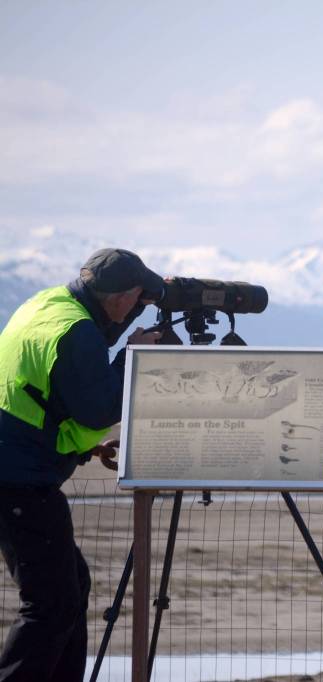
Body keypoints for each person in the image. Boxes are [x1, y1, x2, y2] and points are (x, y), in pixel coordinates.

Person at [0, 248, 164, 681]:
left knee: (70, 585)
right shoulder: (77, 332)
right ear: (121, 297)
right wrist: (132, 356)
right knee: (51, 603)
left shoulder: (49, 304)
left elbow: (47, 393)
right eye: (137, 299)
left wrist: (82, 450)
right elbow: (97, 409)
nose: (136, 307)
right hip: (20, 479)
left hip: (17, 463)